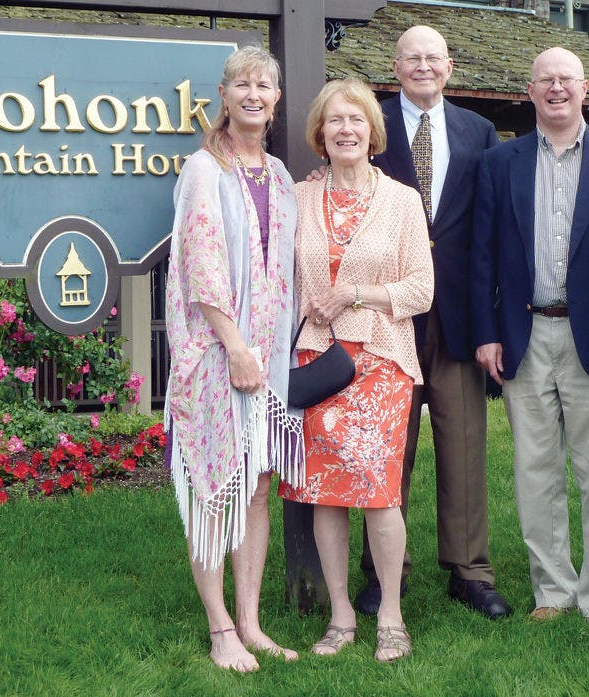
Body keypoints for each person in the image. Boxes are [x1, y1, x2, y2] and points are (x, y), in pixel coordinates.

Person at [471, 47, 589, 629]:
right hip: (526, 333)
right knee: (535, 471)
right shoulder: (502, 162)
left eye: (565, 80)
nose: (555, 88)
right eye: (545, 79)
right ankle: (552, 591)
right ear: (530, 90)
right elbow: (483, 256)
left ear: (584, 87)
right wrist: (488, 332)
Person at [352, 24, 511, 620]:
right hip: (390, 314)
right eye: (412, 58)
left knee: (465, 444)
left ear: (449, 67)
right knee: (388, 447)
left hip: (460, 314)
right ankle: (379, 572)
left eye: (434, 58)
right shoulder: (371, 125)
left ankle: (469, 570)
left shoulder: (479, 131)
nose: (423, 67)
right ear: (395, 66)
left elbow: (493, 222)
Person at [278, 78, 433, 662]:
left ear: (373, 132)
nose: (346, 129)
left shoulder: (401, 201)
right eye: (336, 120)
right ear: (320, 133)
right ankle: (341, 616)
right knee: (324, 493)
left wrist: (354, 294)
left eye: (357, 120)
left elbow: (422, 288)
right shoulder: (297, 198)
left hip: (382, 362)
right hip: (318, 364)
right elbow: (278, 281)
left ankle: (390, 613)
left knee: (379, 493)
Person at [163, 46, 302, 673]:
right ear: (223, 95)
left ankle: (251, 621)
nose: (253, 93)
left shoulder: (276, 173)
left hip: (266, 357)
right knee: (215, 486)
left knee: (259, 485)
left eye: (264, 85)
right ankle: (220, 627)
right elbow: (200, 266)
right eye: (241, 84)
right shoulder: (204, 168)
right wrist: (235, 346)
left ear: (276, 99)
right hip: (217, 354)